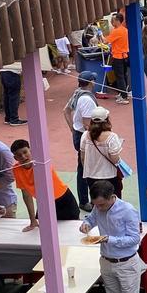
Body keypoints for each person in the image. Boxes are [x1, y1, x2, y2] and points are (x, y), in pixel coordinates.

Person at [80, 180, 146, 293]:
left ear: (112, 197)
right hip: (106, 261)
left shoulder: (128, 211)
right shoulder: (98, 207)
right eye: (96, 205)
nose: (99, 208)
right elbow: (91, 218)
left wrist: (109, 239)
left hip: (126, 263)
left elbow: (134, 238)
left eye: (102, 204)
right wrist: (85, 224)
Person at [10, 139, 79, 232]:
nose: (23, 156)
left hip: (63, 200)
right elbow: (26, 195)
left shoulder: (41, 163)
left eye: (25, 152)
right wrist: (32, 220)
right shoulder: (16, 169)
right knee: (41, 230)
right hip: (44, 203)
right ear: (15, 158)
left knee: (72, 229)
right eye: (19, 155)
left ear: (30, 150)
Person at [64, 71, 99, 207]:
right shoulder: (87, 100)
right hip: (85, 137)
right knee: (86, 170)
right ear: (91, 82)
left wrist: (72, 129)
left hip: (79, 135)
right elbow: (87, 125)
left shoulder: (78, 93)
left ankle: (85, 200)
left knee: (83, 168)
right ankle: (86, 201)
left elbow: (66, 111)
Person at [104, 13, 130, 104]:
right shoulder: (125, 30)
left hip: (118, 56)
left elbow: (105, 41)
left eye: (113, 20)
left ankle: (124, 96)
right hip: (124, 55)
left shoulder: (116, 31)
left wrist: (100, 35)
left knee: (119, 77)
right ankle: (124, 93)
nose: (112, 22)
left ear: (118, 21)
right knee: (123, 75)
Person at [0, 62, 26, 126]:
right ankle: (14, 119)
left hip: (3, 71)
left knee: (7, 96)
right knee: (14, 97)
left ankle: (8, 118)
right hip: (13, 71)